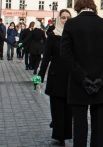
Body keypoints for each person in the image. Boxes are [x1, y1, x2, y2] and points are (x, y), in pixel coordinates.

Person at [61, 0, 103, 147]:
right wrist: (102, 79)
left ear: (77, 8)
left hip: (78, 83)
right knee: (98, 126)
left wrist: (82, 78)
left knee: (79, 125)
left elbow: (66, 56)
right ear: (94, 7)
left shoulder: (71, 24)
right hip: (100, 83)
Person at [38, 10, 72, 146]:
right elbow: (46, 57)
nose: (65, 20)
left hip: (70, 77)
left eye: (68, 18)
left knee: (68, 109)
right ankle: (59, 135)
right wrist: (40, 75)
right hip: (56, 76)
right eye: (63, 18)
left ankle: (66, 132)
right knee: (57, 108)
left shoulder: (73, 36)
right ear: (59, 19)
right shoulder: (53, 36)